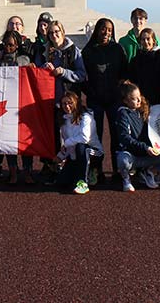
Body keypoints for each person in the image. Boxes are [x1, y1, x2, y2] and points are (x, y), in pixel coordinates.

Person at [34, 20, 87, 183]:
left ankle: (73, 169)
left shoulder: (73, 50)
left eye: (57, 31)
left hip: (69, 103)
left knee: (71, 136)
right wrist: (44, 69)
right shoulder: (44, 52)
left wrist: (63, 72)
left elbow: (81, 74)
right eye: (51, 33)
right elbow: (35, 73)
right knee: (53, 137)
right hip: (51, 101)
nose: (54, 35)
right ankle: (52, 168)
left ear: (63, 32)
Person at [81, 18, 128, 179]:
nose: (106, 32)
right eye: (103, 29)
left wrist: (120, 87)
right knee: (95, 136)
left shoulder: (117, 49)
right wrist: (90, 93)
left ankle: (117, 169)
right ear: (97, 30)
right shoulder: (88, 51)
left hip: (114, 99)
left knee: (117, 134)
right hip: (96, 99)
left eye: (109, 30)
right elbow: (82, 77)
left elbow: (125, 71)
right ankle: (96, 169)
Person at [115, 81, 160, 192]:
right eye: (134, 98)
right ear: (125, 101)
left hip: (148, 155)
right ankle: (126, 179)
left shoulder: (145, 109)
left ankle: (150, 171)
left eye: (139, 96)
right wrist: (145, 147)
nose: (139, 100)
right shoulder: (123, 114)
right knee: (123, 160)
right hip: (133, 155)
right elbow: (125, 138)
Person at [0, 29, 33, 184]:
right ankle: (13, 171)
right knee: (9, 139)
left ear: (17, 45)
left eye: (10, 45)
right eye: (4, 44)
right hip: (5, 104)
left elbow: (24, 66)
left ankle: (27, 171)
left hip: (22, 103)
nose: (7, 48)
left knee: (25, 139)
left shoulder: (24, 59)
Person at [55, 91, 103, 195]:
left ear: (76, 102)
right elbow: (68, 145)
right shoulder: (64, 120)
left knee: (81, 147)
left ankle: (83, 182)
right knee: (62, 183)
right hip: (75, 155)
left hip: (93, 152)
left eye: (70, 103)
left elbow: (84, 138)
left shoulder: (86, 117)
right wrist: (61, 156)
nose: (67, 106)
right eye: (64, 104)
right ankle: (86, 173)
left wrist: (66, 143)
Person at [128, 28, 160, 107]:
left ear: (153, 40)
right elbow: (132, 80)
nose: (146, 42)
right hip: (140, 99)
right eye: (143, 39)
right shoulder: (135, 60)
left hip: (158, 99)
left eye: (148, 39)